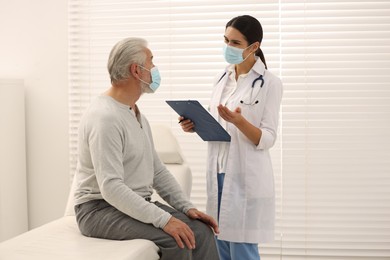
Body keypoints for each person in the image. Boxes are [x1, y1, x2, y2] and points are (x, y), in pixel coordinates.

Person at [73, 37, 220, 260]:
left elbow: (156, 169)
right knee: (177, 240)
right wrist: (165, 220)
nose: (155, 69)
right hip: (97, 210)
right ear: (136, 70)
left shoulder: (134, 113)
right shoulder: (105, 117)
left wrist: (186, 208)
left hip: (132, 203)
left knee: (201, 231)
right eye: (151, 62)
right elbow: (111, 187)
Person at [179, 15, 283, 260]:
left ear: (254, 46)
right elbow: (217, 126)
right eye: (226, 40)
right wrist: (194, 126)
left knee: (242, 248)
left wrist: (240, 122)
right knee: (220, 245)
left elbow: (268, 138)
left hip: (245, 177)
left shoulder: (269, 83)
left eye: (235, 43)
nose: (228, 47)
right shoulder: (222, 78)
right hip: (218, 172)